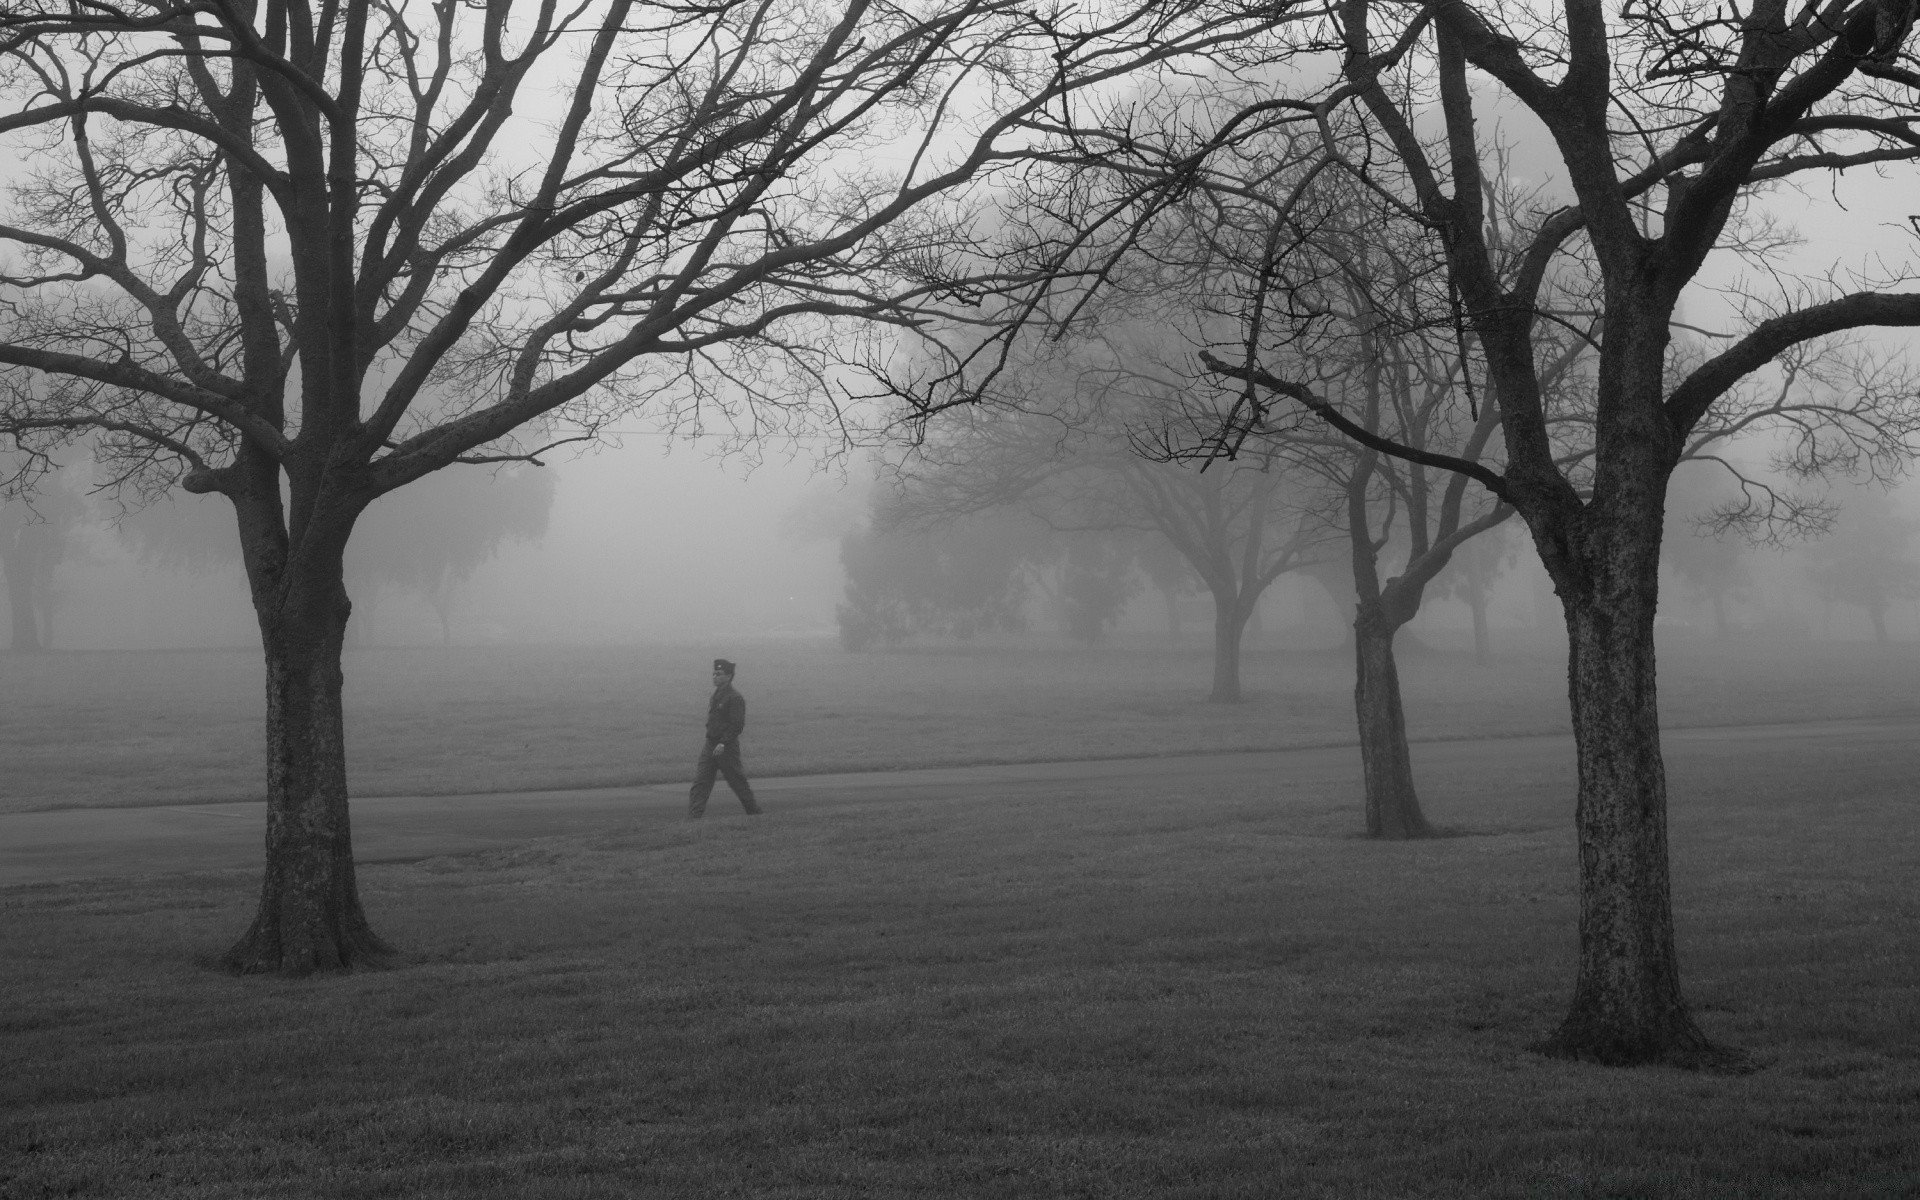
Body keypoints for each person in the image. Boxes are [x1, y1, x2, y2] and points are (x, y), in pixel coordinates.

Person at [689, 657, 760, 818]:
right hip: (710, 744)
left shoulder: (735, 698)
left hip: (726, 747)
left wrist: (723, 743)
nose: (715, 676)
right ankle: (693, 819)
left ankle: (755, 815)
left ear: (728, 676)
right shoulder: (717, 695)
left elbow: (737, 725)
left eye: (719, 674)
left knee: (738, 783)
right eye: (714, 673)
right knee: (700, 783)